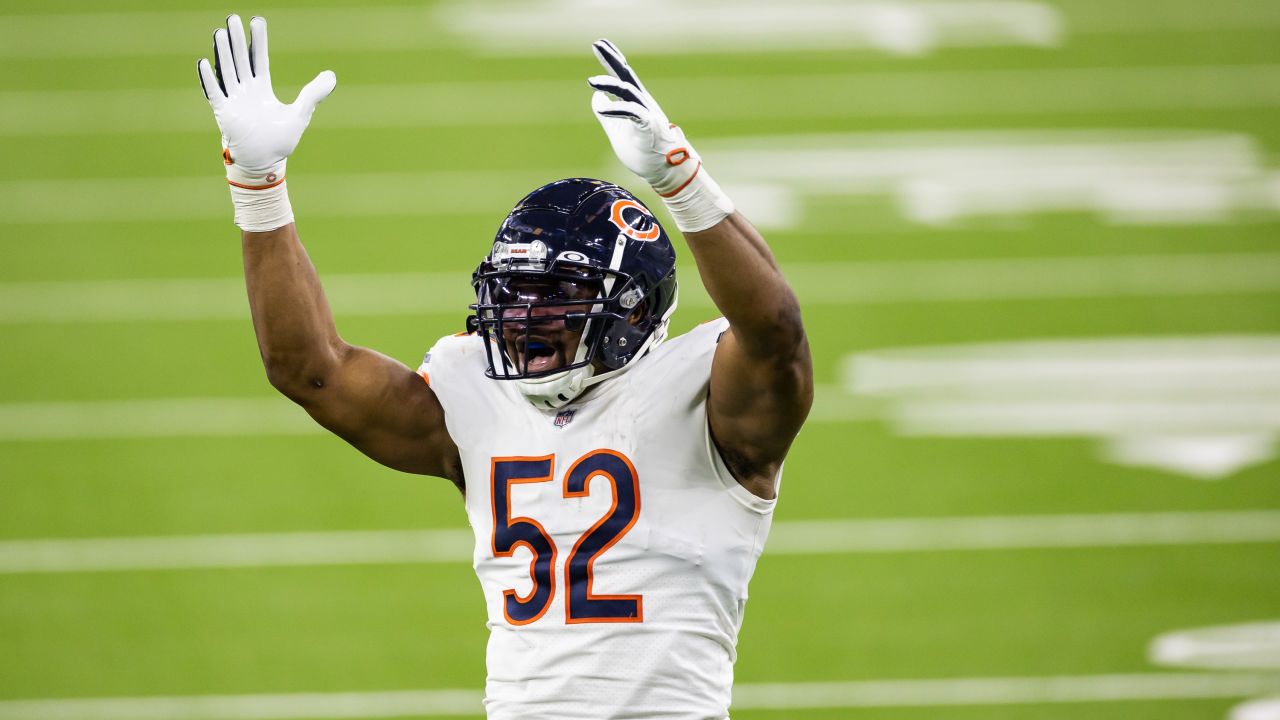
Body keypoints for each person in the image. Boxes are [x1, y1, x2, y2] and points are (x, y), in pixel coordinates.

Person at [197, 15, 812, 719]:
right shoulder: (474, 395)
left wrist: (682, 182)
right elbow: (309, 370)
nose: (524, 319)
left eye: (556, 297)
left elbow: (776, 333)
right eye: (514, 297)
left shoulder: (704, 391)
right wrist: (257, 184)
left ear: (635, 308)